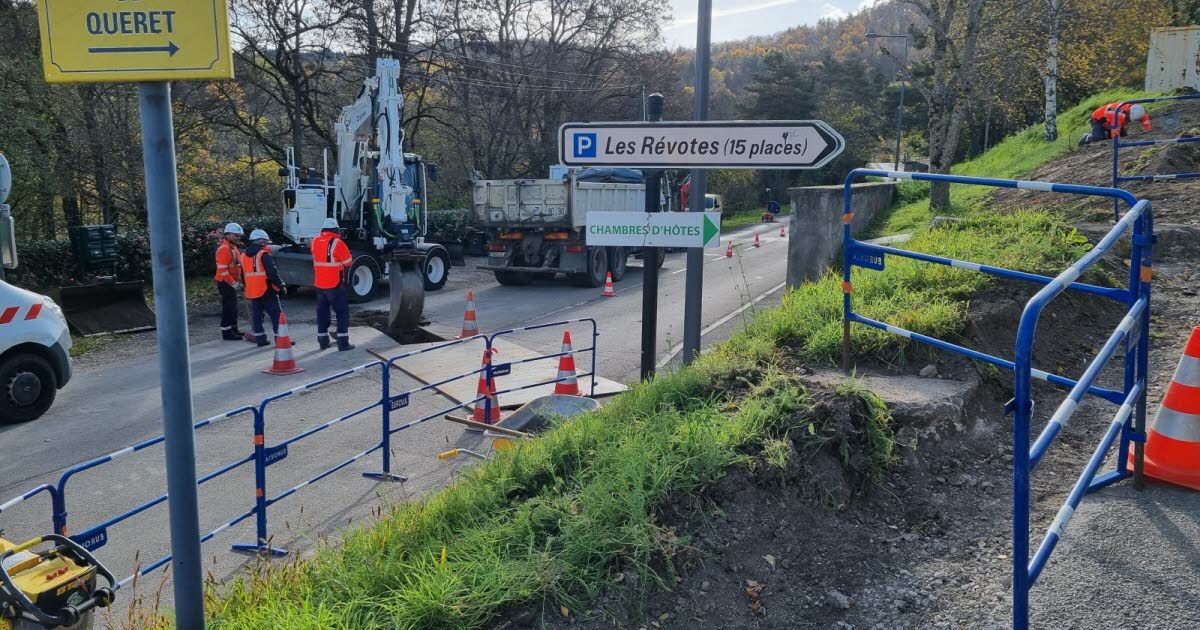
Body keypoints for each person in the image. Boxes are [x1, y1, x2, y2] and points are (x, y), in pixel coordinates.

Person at [310, 218, 355, 351]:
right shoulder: (337, 243)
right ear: (336, 230)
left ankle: (323, 342)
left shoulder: (314, 241)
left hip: (319, 284)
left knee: (322, 314)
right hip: (334, 285)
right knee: (342, 314)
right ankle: (343, 343)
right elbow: (348, 262)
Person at [240, 229, 287, 347]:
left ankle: (260, 339)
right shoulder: (263, 254)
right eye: (265, 242)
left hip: (252, 291)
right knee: (277, 315)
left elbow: (243, 275)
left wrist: (248, 287)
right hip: (266, 289)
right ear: (261, 242)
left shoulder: (244, 256)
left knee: (257, 316)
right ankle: (281, 340)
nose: (267, 244)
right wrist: (281, 285)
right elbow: (272, 272)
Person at [214, 223, 246, 341]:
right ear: (228, 235)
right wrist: (234, 284)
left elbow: (236, 266)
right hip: (225, 282)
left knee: (233, 307)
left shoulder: (232, 247)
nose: (239, 238)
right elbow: (222, 271)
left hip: (231, 281)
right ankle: (227, 332)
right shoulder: (225, 249)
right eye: (236, 235)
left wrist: (238, 281)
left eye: (239, 236)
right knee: (228, 307)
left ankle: (234, 329)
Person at [1081, 102, 1151, 145]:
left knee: (1124, 136)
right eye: (1129, 119)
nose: (1129, 121)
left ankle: (1105, 135)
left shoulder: (1137, 110)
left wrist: (1148, 131)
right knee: (1099, 138)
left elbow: (1145, 119)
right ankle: (1088, 137)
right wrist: (1117, 142)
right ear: (1128, 113)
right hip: (1098, 119)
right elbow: (1115, 133)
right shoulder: (1117, 115)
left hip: (1110, 120)